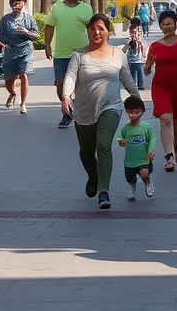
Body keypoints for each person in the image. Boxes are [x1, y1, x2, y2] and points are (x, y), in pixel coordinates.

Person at [62, 13, 140, 210]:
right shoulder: (79, 55)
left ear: (108, 31)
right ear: (88, 31)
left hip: (111, 107)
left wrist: (136, 98)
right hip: (83, 110)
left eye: (101, 28)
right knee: (86, 152)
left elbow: (127, 79)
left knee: (104, 145)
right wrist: (66, 96)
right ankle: (93, 175)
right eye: (92, 28)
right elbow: (70, 77)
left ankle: (103, 191)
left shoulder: (118, 54)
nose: (96, 32)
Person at [144, 9, 177, 172]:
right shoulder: (154, 46)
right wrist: (148, 65)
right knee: (165, 118)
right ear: (160, 26)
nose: (167, 26)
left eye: (170, 24)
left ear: (175, 24)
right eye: (164, 24)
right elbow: (146, 71)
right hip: (160, 86)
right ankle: (169, 157)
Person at [45, 0, 94, 129]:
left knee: (80, 84)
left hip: (81, 53)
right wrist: (47, 44)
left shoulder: (86, 9)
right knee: (60, 83)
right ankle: (67, 111)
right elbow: (49, 26)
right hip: (61, 53)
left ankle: (78, 111)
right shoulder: (57, 7)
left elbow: (92, 29)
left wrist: (94, 48)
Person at [0, 0, 40, 114]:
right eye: (15, 4)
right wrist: (4, 43)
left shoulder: (29, 19)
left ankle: (23, 104)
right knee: (9, 80)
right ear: (11, 6)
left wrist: (27, 32)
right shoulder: (5, 19)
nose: (18, 6)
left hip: (26, 50)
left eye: (19, 3)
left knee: (24, 74)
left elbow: (37, 35)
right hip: (11, 51)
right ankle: (12, 93)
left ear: (23, 4)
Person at [116, 95, 156, 200]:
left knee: (144, 173)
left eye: (136, 112)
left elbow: (152, 139)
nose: (133, 115)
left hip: (143, 159)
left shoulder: (146, 127)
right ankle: (132, 188)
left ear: (142, 111)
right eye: (130, 112)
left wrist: (150, 151)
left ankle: (147, 182)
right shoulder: (126, 128)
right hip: (130, 160)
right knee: (130, 178)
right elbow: (121, 138)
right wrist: (121, 142)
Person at [123, 18, 145, 89]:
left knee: (138, 73)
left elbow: (141, 48)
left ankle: (138, 85)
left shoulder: (138, 41)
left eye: (135, 33)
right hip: (134, 60)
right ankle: (136, 85)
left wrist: (143, 53)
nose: (134, 34)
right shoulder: (130, 42)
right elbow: (124, 49)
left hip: (136, 60)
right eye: (132, 33)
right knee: (135, 73)